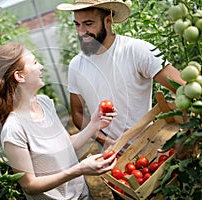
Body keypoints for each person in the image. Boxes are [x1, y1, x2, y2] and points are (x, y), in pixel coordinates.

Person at [57, 0, 186, 199]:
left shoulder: (137, 51)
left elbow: (183, 89)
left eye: (89, 24)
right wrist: (105, 140)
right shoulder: (77, 66)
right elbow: (77, 113)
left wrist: (183, 135)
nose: (81, 31)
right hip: (113, 162)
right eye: (77, 24)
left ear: (108, 21)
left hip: (149, 152)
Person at [0, 42, 118, 200]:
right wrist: (79, 169)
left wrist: (94, 125)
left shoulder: (45, 103)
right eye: (35, 63)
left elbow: (65, 145)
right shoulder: (14, 129)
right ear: (19, 76)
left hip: (82, 194)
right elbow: (29, 185)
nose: (41, 67)